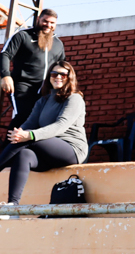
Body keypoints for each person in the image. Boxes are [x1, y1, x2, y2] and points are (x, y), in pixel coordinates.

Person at [0, 61, 87, 205]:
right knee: (24, 154)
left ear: (70, 77)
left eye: (63, 74)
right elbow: (29, 124)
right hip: (47, 152)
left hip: (71, 149)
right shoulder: (43, 101)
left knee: (29, 137)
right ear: (49, 77)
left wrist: (29, 135)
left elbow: (61, 126)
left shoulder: (74, 98)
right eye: (54, 74)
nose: (58, 77)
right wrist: (19, 133)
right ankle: (13, 206)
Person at [1, 9, 65, 136]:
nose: (48, 25)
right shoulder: (23, 36)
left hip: (45, 88)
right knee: (24, 115)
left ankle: (27, 146)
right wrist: (6, 76)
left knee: (40, 120)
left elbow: (62, 65)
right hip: (22, 85)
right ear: (38, 20)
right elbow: (5, 54)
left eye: (52, 23)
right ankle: (9, 146)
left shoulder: (58, 44)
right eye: (45, 21)